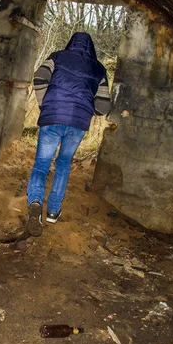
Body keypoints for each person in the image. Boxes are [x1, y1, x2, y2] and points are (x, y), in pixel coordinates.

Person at [26, 32, 111, 237]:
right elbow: (103, 106)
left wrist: (44, 104)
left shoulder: (57, 57)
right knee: (63, 164)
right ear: (91, 47)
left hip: (52, 117)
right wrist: (87, 108)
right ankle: (53, 211)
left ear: (70, 42)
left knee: (41, 164)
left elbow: (39, 76)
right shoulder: (99, 68)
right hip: (78, 123)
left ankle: (35, 202)